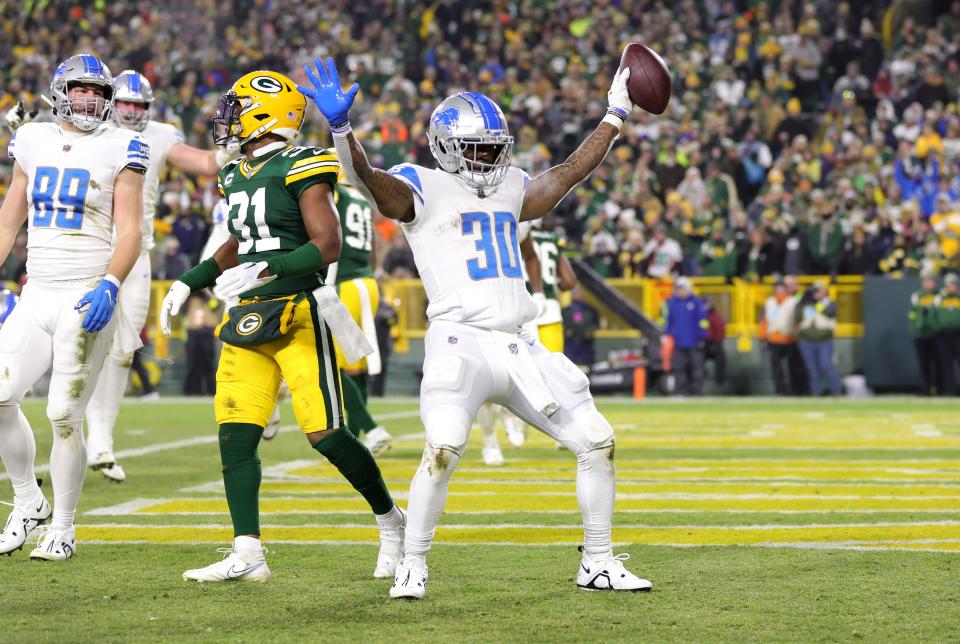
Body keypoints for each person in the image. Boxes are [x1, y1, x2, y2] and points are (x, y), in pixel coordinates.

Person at [300, 57, 651, 597]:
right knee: (441, 448)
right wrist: (342, 131)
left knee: (598, 440)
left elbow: (567, 173)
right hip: (460, 342)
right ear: (444, 146)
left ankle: (598, 562)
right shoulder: (421, 186)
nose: (488, 158)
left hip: (520, 344)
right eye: (476, 148)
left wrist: (615, 114)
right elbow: (366, 180)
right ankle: (412, 562)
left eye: (494, 147)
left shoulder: (511, 185)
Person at [158, 70, 404, 582]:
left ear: (264, 114)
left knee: (328, 436)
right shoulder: (234, 173)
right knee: (235, 435)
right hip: (248, 316)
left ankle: (391, 521)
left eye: (236, 108)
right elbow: (239, 244)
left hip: (299, 311)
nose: (226, 119)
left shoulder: (301, 162)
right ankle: (249, 555)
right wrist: (191, 280)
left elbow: (327, 243)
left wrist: (271, 268)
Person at [0, 55, 147, 560]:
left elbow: (130, 230)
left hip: (86, 293)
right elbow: (7, 223)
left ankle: (63, 527)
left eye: (96, 92)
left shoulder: (122, 145)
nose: (89, 100)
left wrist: (111, 282)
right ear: (61, 91)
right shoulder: (32, 139)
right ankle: (27, 501)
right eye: (80, 90)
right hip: (36, 291)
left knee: (63, 413)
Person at [84, 70, 235, 483]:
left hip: (135, 252)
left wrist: (229, 149)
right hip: (87, 250)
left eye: (140, 105)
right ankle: (76, 429)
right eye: (127, 103)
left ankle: (101, 439)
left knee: (121, 350)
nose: (132, 111)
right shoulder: (90, 128)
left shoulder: (160, 134)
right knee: (80, 342)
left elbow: (204, 164)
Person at [326, 174, 393, 455]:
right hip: (367, 282)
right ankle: (355, 435)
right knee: (356, 364)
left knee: (332, 364)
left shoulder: (335, 195)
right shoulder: (362, 200)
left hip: (344, 285)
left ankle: (372, 428)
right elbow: (375, 245)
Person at [661, 278, 708, 395]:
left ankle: (697, 392)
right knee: (679, 369)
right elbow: (669, 322)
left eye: (683, 289)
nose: (681, 291)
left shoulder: (697, 303)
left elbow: (703, 322)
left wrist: (702, 337)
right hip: (678, 343)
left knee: (697, 369)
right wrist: (668, 335)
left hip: (694, 342)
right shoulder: (672, 303)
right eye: (679, 289)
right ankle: (680, 392)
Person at [795, 281, 842, 396]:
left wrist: (818, 304)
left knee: (827, 365)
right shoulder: (804, 304)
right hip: (806, 340)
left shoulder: (830, 303)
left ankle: (836, 392)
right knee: (812, 369)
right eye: (816, 291)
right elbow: (797, 317)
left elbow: (830, 312)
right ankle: (816, 393)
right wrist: (803, 301)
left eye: (821, 291)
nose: (818, 294)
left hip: (824, 340)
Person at [761, 278, 800, 395]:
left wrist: (797, 334)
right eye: (777, 288)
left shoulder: (793, 301)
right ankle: (780, 390)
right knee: (776, 368)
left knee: (791, 367)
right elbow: (764, 320)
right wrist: (763, 335)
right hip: (773, 338)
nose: (779, 290)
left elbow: (797, 320)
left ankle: (792, 390)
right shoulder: (769, 302)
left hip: (790, 338)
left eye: (781, 288)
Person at [909, 274, 942, 395]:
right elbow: (913, 314)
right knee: (924, 364)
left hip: (936, 334)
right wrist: (916, 328)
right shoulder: (917, 296)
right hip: (921, 334)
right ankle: (925, 389)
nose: (928, 284)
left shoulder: (939, 295)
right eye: (926, 282)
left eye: (930, 281)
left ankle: (940, 389)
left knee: (939, 363)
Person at [934, 273, 960, 395]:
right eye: (948, 285)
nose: (951, 288)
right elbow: (933, 315)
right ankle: (949, 390)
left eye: (953, 285)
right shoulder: (939, 298)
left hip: (958, 334)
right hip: (943, 335)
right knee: (946, 364)